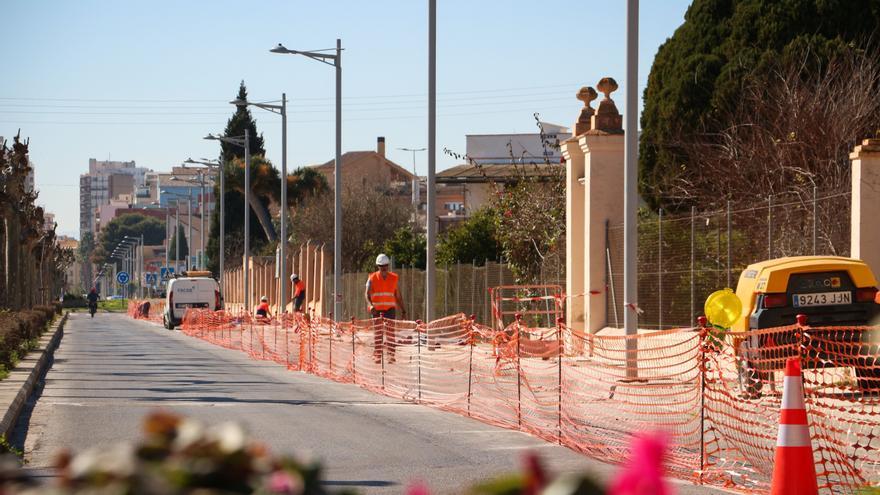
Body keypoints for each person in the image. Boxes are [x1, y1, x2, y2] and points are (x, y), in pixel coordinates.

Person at [364, 253, 406, 363]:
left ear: (388, 265)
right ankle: (377, 354)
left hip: (390, 309)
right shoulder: (371, 278)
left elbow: (398, 295)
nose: (383, 268)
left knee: (390, 333)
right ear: (378, 266)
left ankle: (391, 355)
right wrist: (370, 305)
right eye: (381, 266)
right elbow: (366, 294)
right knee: (378, 333)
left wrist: (403, 309)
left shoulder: (394, 278)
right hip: (376, 310)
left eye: (385, 266)